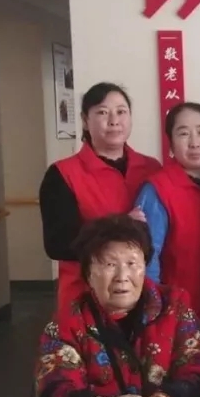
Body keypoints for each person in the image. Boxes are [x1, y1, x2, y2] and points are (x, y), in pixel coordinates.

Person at [35, 216, 200, 397]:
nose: (122, 276)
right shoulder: (68, 321)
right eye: (110, 264)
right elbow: (53, 385)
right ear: (88, 274)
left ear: (145, 266)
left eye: (132, 264)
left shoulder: (173, 306)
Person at [40, 82, 160, 311]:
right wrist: (121, 225)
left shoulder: (151, 168)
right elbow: (57, 244)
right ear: (85, 120)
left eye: (121, 111)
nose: (114, 120)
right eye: (103, 112)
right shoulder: (63, 174)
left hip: (143, 294)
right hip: (86, 299)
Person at [134, 102, 200, 327]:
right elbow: (146, 258)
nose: (194, 142)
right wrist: (154, 314)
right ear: (171, 143)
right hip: (177, 316)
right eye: (183, 133)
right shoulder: (158, 189)